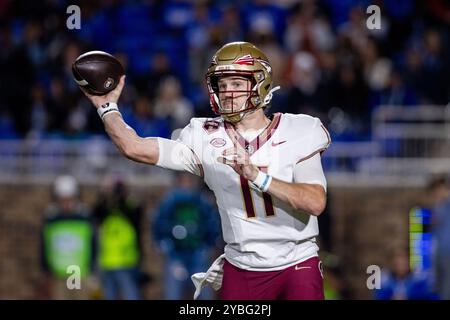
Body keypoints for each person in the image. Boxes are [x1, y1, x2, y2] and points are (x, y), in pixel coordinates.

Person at [80, 41, 331, 300]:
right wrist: (106, 108)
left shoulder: (298, 130)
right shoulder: (204, 136)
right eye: (222, 85)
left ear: (260, 84)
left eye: (236, 83)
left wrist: (257, 176)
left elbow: (314, 201)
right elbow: (134, 147)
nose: (227, 92)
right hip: (242, 265)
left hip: (297, 262)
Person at [152, 172, 221, 299]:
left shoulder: (202, 200)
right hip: (175, 255)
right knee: (174, 292)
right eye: (184, 181)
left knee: (204, 292)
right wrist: (163, 246)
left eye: (190, 181)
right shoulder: (169, 200)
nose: (187, 185)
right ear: (178, 182)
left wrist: (211, 245)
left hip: (198, 253)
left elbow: (212, 223)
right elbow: (159, 224)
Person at [40, 175, 95, 299]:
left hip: (78, 272)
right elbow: (45, 244)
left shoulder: (84, 217)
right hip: (59, 273)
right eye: (63, 199)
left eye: (69, 199)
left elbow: (92, 242)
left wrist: (92, 268)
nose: (66, 203)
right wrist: (45, 268)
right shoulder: (52, 218)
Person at [92, 176, 144, 300]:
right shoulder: (106, 209)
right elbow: (96, 212)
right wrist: (104, 194)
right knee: (110, 295)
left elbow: (137, 212)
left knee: (131, 294)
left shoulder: (128, 209)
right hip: (107, 262)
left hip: (126, 262)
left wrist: (125, 195)